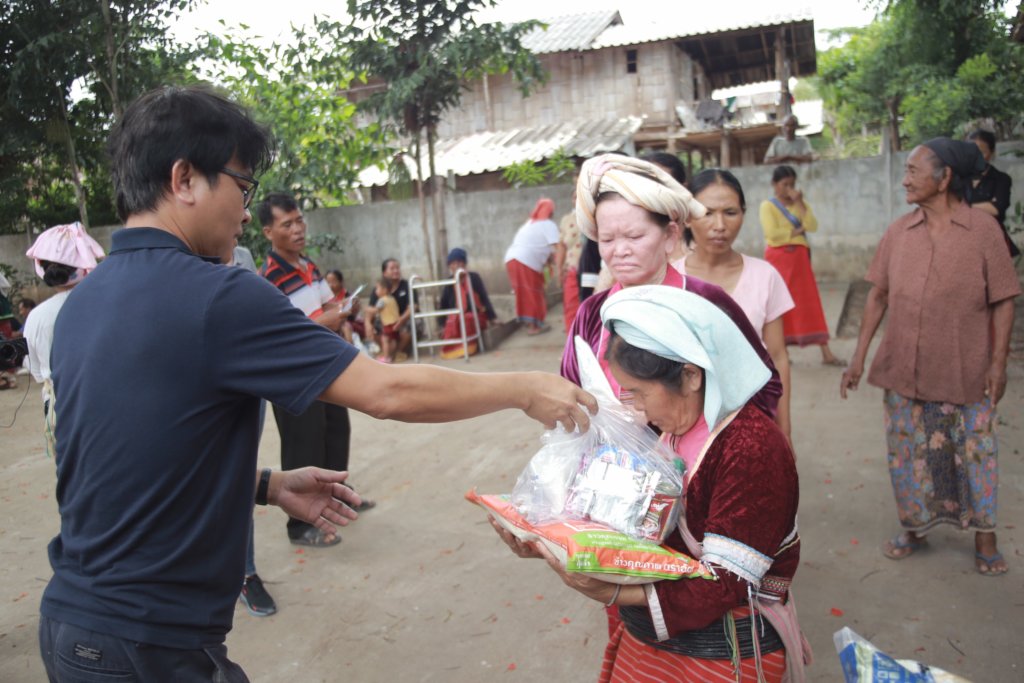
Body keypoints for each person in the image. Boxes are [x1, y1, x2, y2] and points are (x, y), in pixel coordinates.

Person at [39, 84, 596, 682]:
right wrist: (523, 387)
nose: (247, 211)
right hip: (148, 646)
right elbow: (387, 392)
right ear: (184, 179)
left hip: (73, 626)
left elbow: (123, 452)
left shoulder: (80, 304)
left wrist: (266, 484)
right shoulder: (218, 293)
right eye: (242, 186)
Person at [494, 285, 810, 682]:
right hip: (658, 638)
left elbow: (724, 584)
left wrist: (611, 593)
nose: (632, 405)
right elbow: (630, 526)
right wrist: (547, 542)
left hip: (722, 650)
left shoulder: (750, 448)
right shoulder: (668, 430)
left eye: (639, 392)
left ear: (691, 376)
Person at [840, 137, 1020, 577]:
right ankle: (915, 526)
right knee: (907, 452)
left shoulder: (983, 231)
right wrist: (858, 357)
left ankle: (984, 535)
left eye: (914, 171)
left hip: (965, 367)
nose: (905, 179)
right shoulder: (899, 231)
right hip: (904, 364)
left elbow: (1004, 299)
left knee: (975, 449)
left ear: (944, 180)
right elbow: (878, 295)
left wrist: (998, 364)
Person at [562, 154, 783, 425]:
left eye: (634, 237)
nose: (620, 251)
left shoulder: (705, 301)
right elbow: (570, 394)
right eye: (607, 239)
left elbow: (762, 383)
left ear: (670, 236)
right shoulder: (591, 314)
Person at [258, 192, 372, 546]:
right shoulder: (268, 278)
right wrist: (332, 317)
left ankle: (335, 497)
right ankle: (299, 525)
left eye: (299, 220)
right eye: (286, 224)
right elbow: (291, 333)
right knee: (302, 444)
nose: (297, 229)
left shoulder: (309, 265)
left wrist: (342, 310)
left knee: (335, 430)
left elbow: (326, 305)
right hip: (293, 376)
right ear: (268, 233)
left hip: (325, 367)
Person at [676, 168, 795, 442]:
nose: (719, 225)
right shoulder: (670, 279)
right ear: (688, 218)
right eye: (707, 213)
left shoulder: (765, 276)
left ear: (743, 213)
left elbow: (778, 357)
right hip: (686, 424)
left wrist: (784, 429)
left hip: (754, 418)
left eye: (730, 212)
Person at [223, 242, 277, 617]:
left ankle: (246, 572)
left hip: (245, 387)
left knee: (239, 475)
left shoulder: (241, 257)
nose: (244, 214)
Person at [22, 222, 105, 435]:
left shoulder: (36, 317)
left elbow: (37, 370)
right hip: (106, 404)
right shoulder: (107, 304)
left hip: (60, 407)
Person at [760, 165, 845, 366]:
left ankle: (826, 352)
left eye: (792, 184)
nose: (789, 188)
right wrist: (798, 230)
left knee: (809, 302)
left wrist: (799, 204)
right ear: (775, 185)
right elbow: (773, 234)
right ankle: (783, 353)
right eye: (785, 184)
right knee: (779, 305)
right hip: (778, 259)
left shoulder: (800, 204)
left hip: (800, 259)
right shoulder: (768, 206)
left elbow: (812, 225)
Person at [505, 198, 561, 335]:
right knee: (533, 292)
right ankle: (534, 327)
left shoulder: (529, 223)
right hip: (526, 261)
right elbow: (558, 247)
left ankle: (531, 323)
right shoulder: (548, 224)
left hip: (512, 260)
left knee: (524, 293)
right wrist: (561, 266)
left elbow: (541, 246)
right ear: (550, 212)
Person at [964, 129, 1018, 257]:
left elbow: (997, 208)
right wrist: (984, 205)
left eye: (981, 152)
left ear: (992, 153)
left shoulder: (1001, 179)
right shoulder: (956, 179)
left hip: (993, 243)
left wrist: (961, 206)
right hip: (962, 243)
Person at [439, 247, 496, 359]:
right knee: (453, 321)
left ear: (465, 264)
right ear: (450, 266)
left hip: (475, 315)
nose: (457, 266)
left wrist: (492, 317)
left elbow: (484, 298)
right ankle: (453, 351)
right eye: (454, 263)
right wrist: (441, 325)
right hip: (456, 317)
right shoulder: (449, 282)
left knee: (466, 319)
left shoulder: (474, 278)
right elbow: (443, 306)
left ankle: (468, 349)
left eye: (460, 262)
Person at [365, 258, 415, 359]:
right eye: (392, 268)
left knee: (408, 328)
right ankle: (389, 353)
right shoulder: (378, 290)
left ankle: (394, 353)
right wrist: (367, 324)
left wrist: (401, 320)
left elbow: (413, 307)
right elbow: (371, 312)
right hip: (386, 321)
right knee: (373, 330)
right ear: (384, 272)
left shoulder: (407, 285)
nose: (396, 270)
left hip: (402, 320)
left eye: (397, 268)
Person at [555, 194, 584, 332]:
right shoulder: (567, 220)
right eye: (574, 197)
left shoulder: (595, 215)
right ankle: (572, 344)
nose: (576, 199)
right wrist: (559, 270)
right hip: (572, 269)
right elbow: (561, 246)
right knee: (571, 305)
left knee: (591, 305)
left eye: (580, 196)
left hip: (593, 270)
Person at [324, 268, 363, 343]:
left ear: (341, 282)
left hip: (348, 323)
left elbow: (352, 316)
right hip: (332, 323)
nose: (330, 285)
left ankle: (351, 348)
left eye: (333, 282)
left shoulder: (348, 296)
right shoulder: (326, 298)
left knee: (345, 327)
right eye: (328, 282)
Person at [372, 277, 401, 363]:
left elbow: (376, 310)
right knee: (393, 340)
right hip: (395, 323)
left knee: (385, 340)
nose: (375, 291)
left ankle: (386, 357)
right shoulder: (392, 298)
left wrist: (368, 310)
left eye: (377, 288)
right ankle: (391, 355)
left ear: (384, 290)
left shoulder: (382, 300)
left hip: (388, 324)